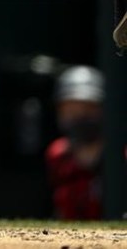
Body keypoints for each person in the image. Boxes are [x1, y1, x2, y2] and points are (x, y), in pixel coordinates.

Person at [45, 65, 105, 220]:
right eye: (71, 110)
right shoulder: (58, 154)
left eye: (87, 109)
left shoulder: (121, 156)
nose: (79, 117)